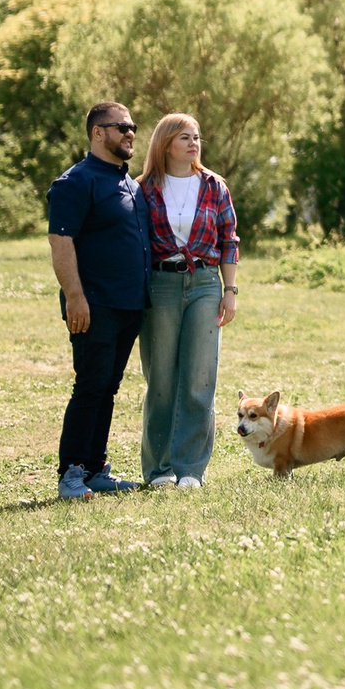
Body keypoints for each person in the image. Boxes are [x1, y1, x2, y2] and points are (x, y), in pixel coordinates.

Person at [48, 101, 152, 500]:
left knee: (107, 387)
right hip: (94, 305)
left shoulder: (128, 182)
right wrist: (75, 297)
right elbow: (61, 242)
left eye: (133, 127)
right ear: (97, 132)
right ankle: (71, 474)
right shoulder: (76, 181)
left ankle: (95, 469)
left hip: (129, 305)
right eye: (121, 127)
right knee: (90, 387)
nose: (130, 133)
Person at [136, 113, 239, 489]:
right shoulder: (143, 188)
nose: (194, 143)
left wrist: (230, 291)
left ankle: (191, 469)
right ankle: (159, 469)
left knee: (199, 378)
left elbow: (230, 239)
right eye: (185, 137)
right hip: (160, 285)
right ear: (165, 144)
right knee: (160, 377)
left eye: (197, 136)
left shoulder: (214, 186)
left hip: (206, 284)